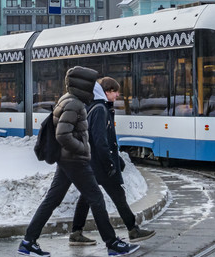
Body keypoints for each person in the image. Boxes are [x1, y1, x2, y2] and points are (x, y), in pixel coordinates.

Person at [19, 66, 140, 257]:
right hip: (74, 160)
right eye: (91, 83)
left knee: (52, 200)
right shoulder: (73, 103)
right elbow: (63, 135)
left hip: (66, 160)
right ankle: (112, 244)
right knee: (96, 199)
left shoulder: (69, 100)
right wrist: (82, 149)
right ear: (83, 84)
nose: (94, 87)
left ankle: (28, 242)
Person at [69, 77, 156, 246]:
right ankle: (132, 230)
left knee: (88, 197)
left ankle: (76, 232)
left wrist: (118, 161)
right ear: (106, 91)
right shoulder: (100, 109)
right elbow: (101, 141)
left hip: (93, 162)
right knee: (116, 195)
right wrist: (110, 163)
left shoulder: (94, 106)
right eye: (115, 91)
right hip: (100, 163)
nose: (117, 95)